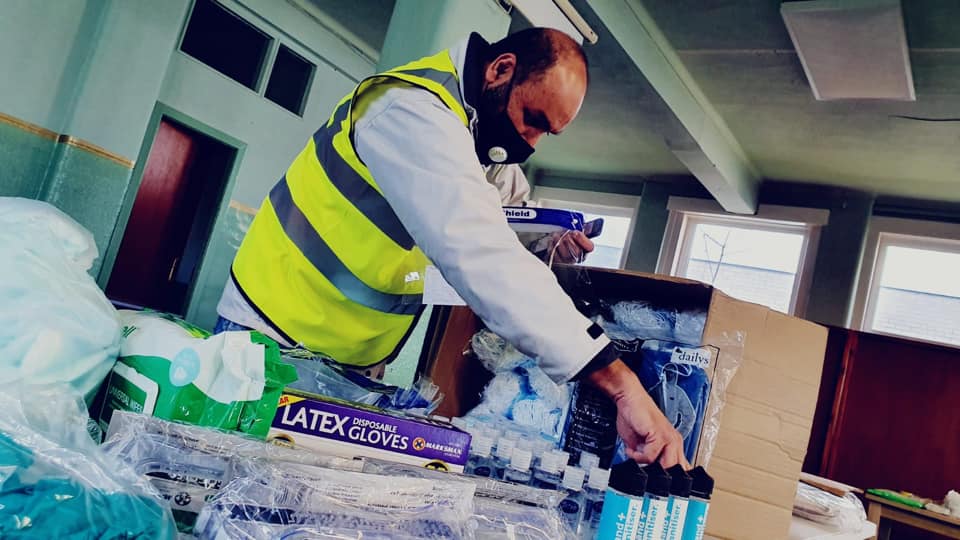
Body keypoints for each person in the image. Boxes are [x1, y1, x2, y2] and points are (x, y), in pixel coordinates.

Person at [217, 28, 687, 467]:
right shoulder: (410, 111)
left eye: (547, 133)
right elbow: (482, 253)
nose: (531, 142)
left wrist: (547, 241)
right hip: (274, 335)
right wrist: (620, 383)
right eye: (532, 121)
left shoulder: (476, 134)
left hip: (350, 358)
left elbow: (506, 211)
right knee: (241, 484)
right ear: (500, 69)